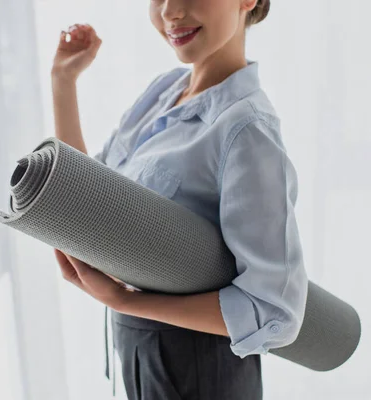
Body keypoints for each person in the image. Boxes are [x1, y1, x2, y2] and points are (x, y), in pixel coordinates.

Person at [51, 0, 308, 399]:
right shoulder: (163, 92)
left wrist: (123, 299)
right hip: (139, 351)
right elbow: (88, 195)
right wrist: (63, 82)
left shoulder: (247, 131)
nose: (170, 11)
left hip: (201, 369)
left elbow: (275, 313)